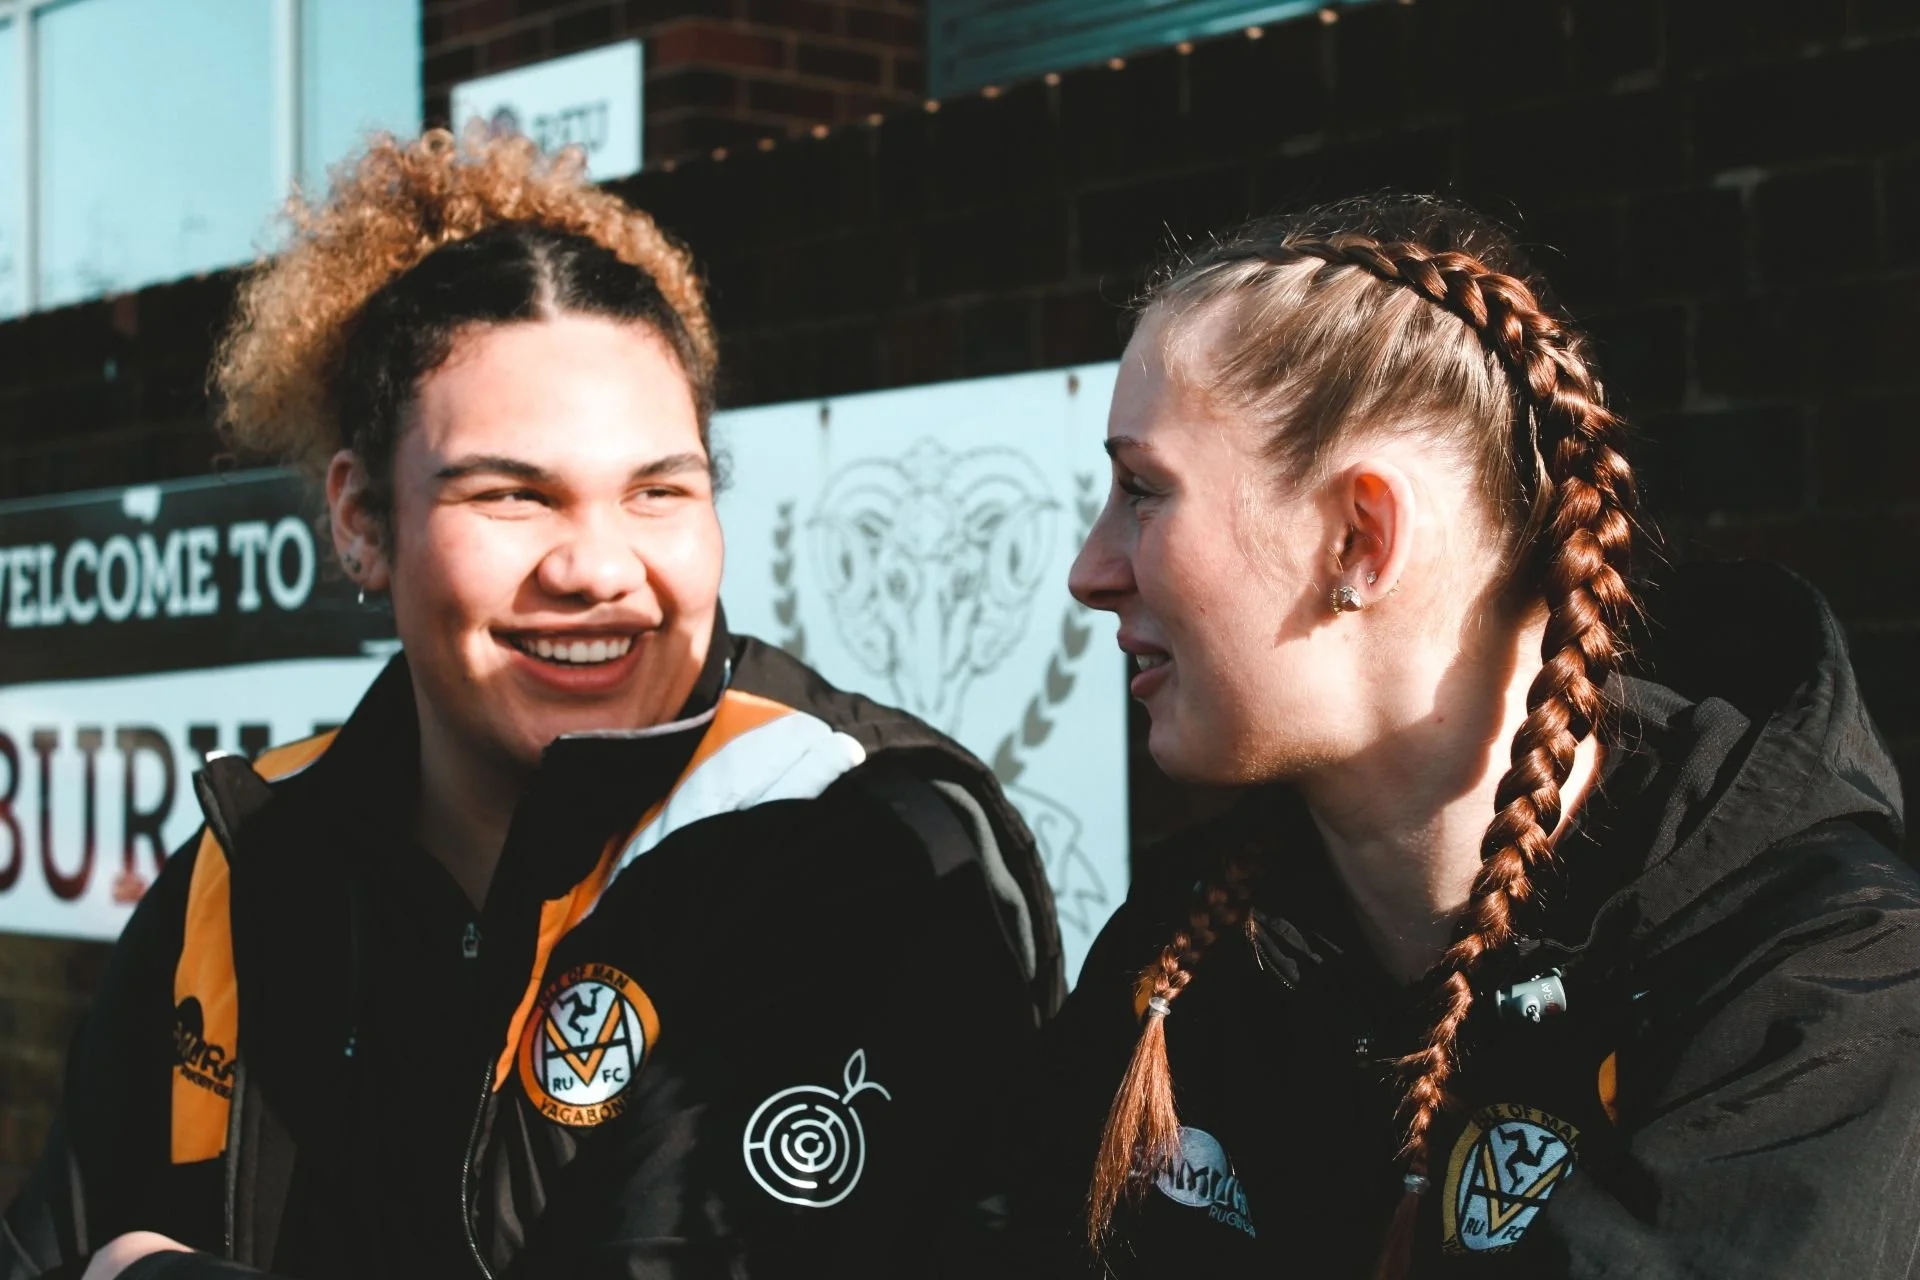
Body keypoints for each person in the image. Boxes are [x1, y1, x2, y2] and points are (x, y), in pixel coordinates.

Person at [2, 130, 1062, 1280]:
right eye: (513, 494)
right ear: (361, 520)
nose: (597, 566)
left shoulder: (852, 835)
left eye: (659, 490)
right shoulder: (251, 858)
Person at [1016, 196, 1920, 1277]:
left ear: (1361, 536)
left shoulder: (1808, 982)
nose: (1090, 569)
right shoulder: (1181, 952)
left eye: (1142, 491)